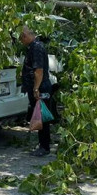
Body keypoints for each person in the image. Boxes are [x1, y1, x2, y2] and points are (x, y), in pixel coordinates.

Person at [20, 25, 57, 156]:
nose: (21, 41)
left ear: (25, 36)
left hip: (40, 88)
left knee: (42, 117)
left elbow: (39, 71)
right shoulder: (34, 46)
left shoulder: (36, 48)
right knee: (40, 115)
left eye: (21, 38)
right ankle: (43, 144)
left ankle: (44, 147)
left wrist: (36, 88)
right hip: (38, 87)